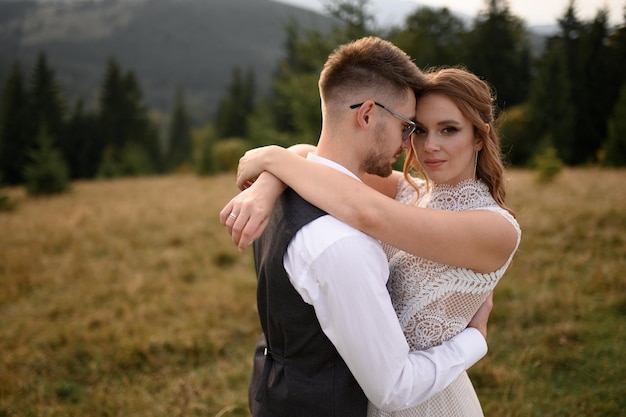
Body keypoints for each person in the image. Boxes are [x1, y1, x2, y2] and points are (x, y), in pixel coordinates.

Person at [222, 66, 521, 417]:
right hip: (369, 391)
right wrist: (266, 186)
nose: (430, 146)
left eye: (449, 130)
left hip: (425, 399)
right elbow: (316, 159)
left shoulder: (496, 228)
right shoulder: (411, 190)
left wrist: (271, 157)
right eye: (418, 130)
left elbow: (370, 214)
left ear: (479, 137)